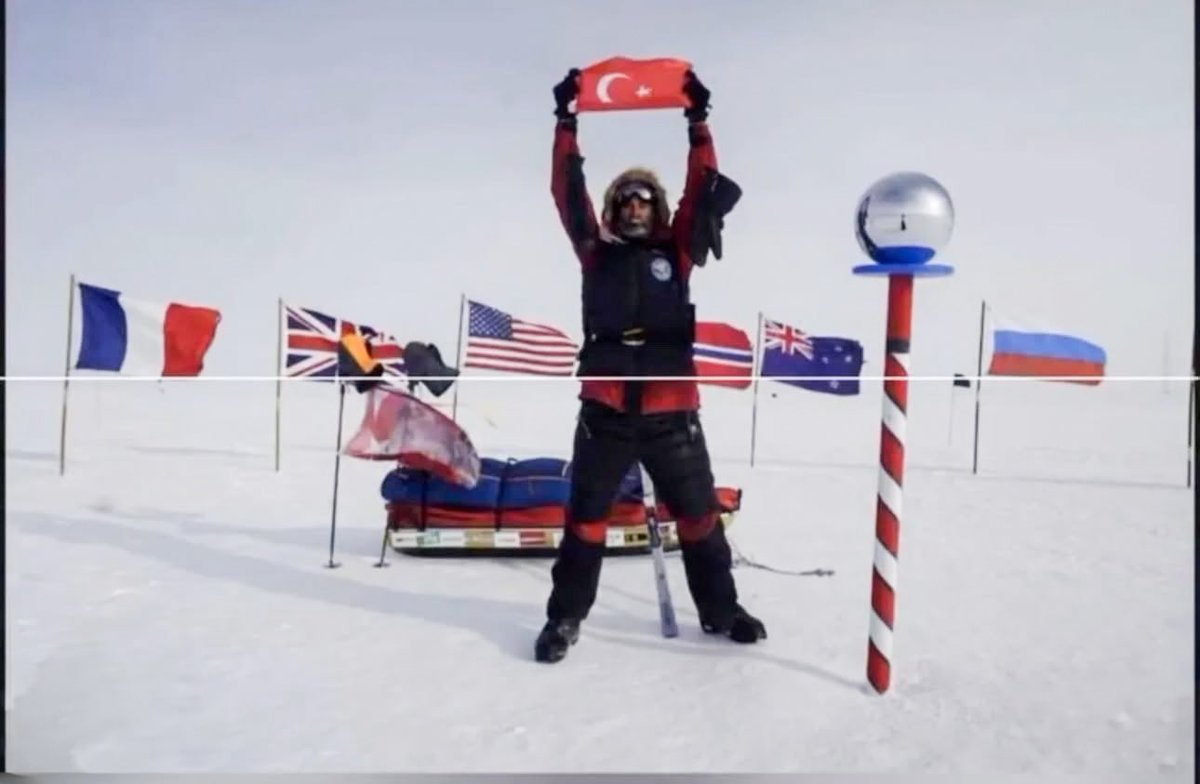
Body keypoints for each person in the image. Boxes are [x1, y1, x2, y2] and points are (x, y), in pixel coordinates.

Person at [534, 67, 766, 663]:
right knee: (586, 524)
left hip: (672, 415)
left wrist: (697, 121)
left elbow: (701, 184)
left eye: (645, 198)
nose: (635, 205)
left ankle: (721, 611)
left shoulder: (677, 250)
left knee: (699, 520)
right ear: (614, 209)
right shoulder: (594, 251)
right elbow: (567, 192)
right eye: (625, 199)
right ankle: (564, 620)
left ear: (656, 208)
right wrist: (567, 123)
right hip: (606, 414)